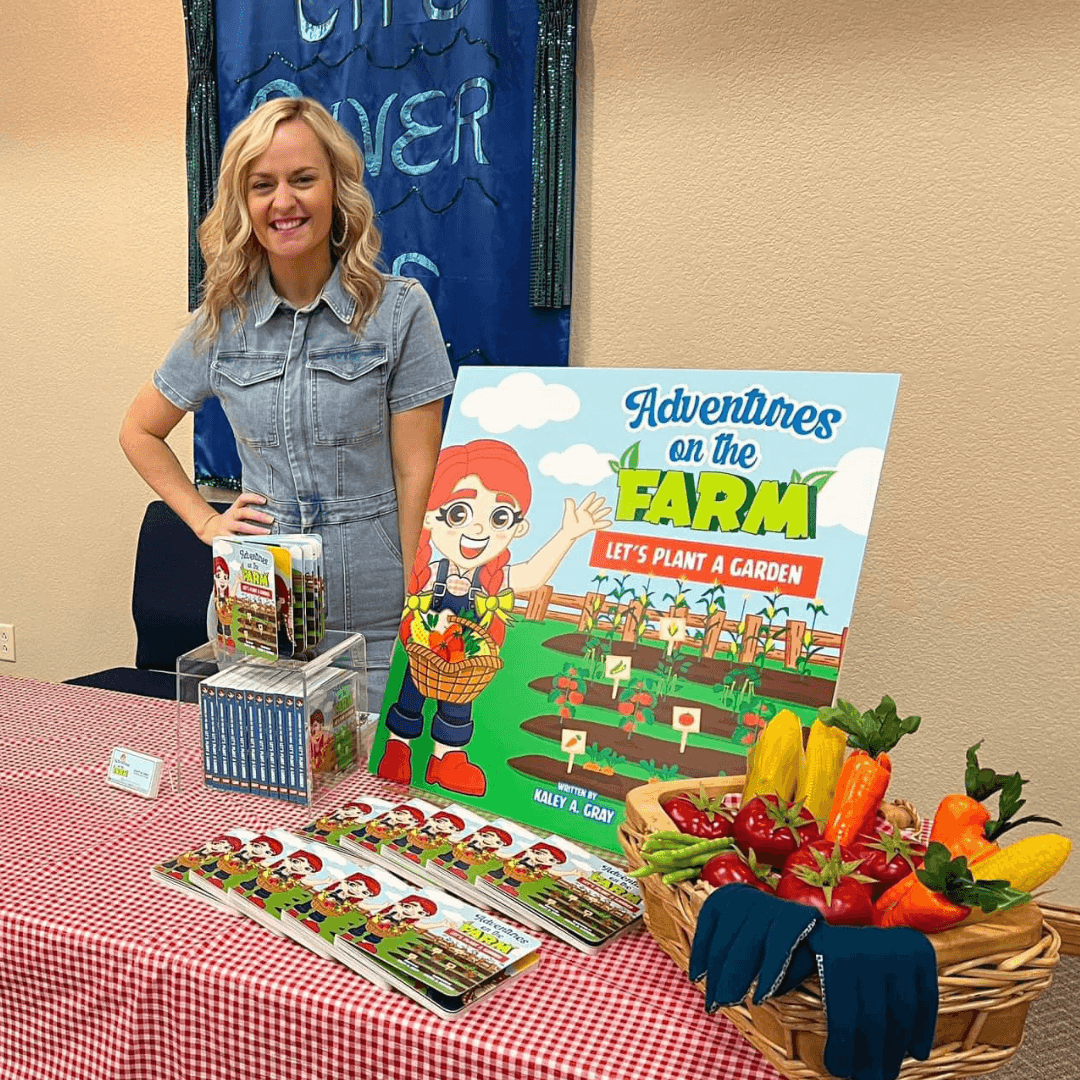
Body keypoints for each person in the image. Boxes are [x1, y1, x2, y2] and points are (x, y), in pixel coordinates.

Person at [119, 96, 454, 709]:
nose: (284, 202)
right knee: (259, 788)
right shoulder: (221, 322)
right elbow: (139, 431)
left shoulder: (400, 310)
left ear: (336, 189)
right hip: (257, 611)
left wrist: (419, 604)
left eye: (303, 179)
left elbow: (418, 473)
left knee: (377, 798)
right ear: (243, 203)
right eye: (262, 185)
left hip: (378, 622)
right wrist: (207, 522)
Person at [376, 438, 610, 795]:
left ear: (518, 527)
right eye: (459, 513)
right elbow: (414, 608)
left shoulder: (492, 579)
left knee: (458, 707)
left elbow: (532, 575)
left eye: (499, 516)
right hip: (421, 656)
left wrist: (568, 535)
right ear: (431, 516)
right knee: (410, 696)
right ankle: (397, 748)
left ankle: (446, 760)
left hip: (466, 665)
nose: (478, 530)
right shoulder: (429, 569)